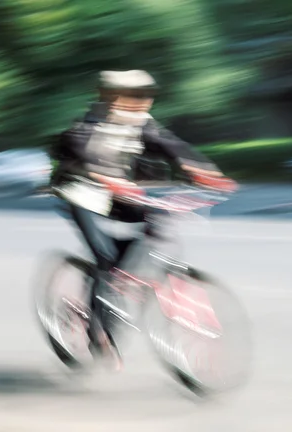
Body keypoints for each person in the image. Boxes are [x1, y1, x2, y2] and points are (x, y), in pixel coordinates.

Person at [50, 70, 227, 369]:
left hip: (118, 193)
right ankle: (99, 332)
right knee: (105, 257)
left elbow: (173, 146)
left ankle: (124, 275)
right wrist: (103, 177)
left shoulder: (142, 124)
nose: (144, 100)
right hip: (80, 192)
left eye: (146, 94)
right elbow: (79, 152)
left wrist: (205, 171)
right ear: (112, 97)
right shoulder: (87, 126)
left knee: (155, 223)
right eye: (136, 94)